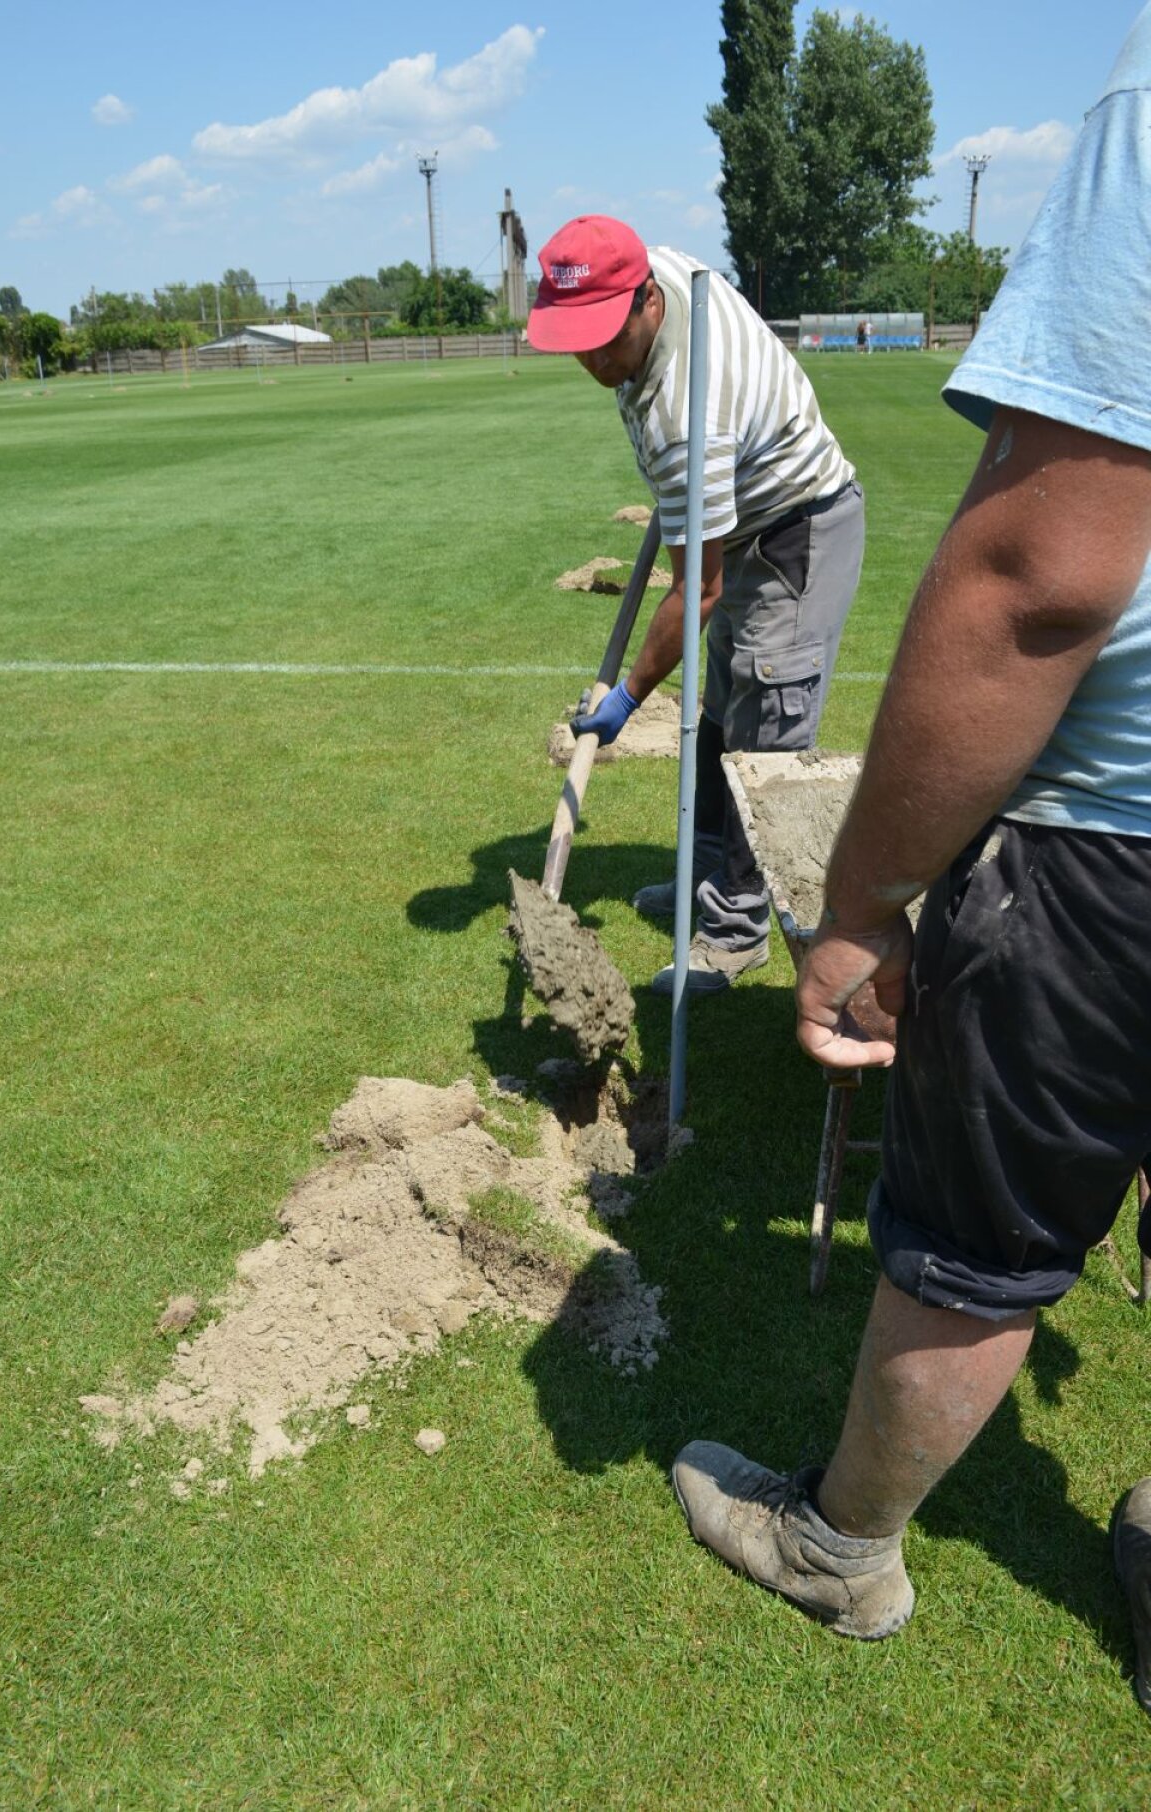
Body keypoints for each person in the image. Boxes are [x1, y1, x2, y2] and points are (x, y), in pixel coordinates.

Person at [671, 2, 1151, 1707]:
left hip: (1120, 836)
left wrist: (863, 900)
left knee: (981, 1233)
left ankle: (840, 1545)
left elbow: (1046, 566)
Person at [526, 217, 864, 994]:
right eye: (574, 339)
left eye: (605, 338)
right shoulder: (665, 274)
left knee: (763, 730)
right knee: (718, 712)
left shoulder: (687, 417)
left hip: (798, 527)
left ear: (648, 299)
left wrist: (628, 697)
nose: (591, 359)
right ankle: (702, 879)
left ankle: (736, 931)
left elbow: (697, 590)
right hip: (739, 518)